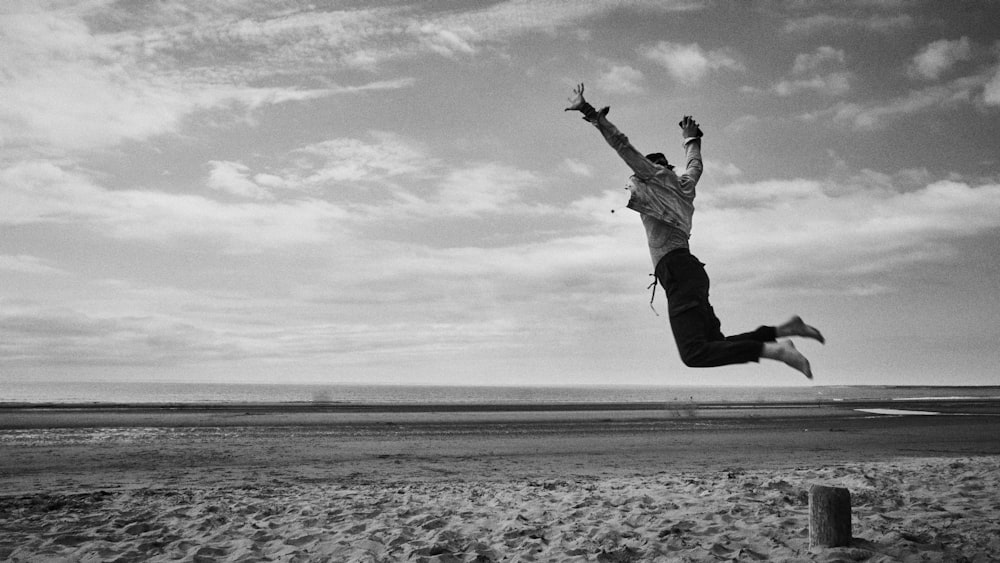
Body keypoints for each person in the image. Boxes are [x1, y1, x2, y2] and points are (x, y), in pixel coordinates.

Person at [564, 83, 824, 379]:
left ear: (649, 168)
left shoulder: (653, 176)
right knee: (715, 344)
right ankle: (781, 332)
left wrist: (588, 111)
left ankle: (775, 350)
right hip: (690, 271)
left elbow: (622, 145)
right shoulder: (684, 186)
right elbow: (694, 165)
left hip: (676, 270)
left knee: (695, 354)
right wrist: (690, 138)